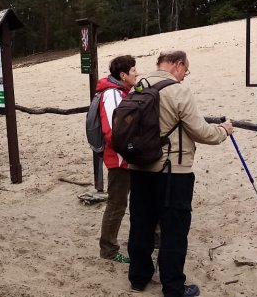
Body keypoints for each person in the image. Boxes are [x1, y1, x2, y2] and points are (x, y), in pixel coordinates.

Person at [127, 50, 234, 296]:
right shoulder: (178, 91)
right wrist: (223, 131)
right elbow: (200, 132)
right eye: (185, 70)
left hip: (139, 167)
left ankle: (138, 278)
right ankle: (173, 287)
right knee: (174, 230)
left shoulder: (138, 87)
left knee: (141, 224)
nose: (185, 76)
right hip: (172, 171)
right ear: (177, 65)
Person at [97, 55, 138, 264]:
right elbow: (113, 132)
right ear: (123, 75)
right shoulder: (112, 95)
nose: (136, 74)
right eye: (133, 71)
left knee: (121, 202)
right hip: (120, 160)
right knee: (117, 203)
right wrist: (132, 151)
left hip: (126, 157)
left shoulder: (121, 93)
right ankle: (109, 249)